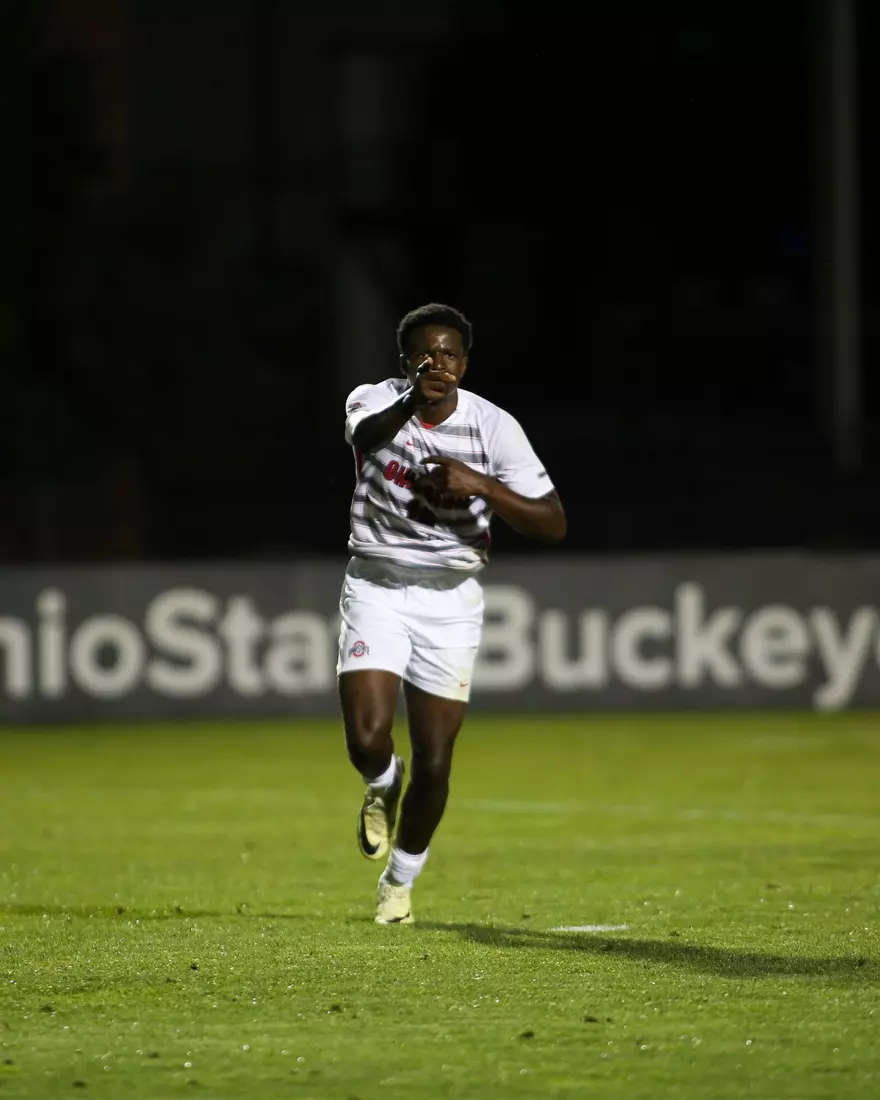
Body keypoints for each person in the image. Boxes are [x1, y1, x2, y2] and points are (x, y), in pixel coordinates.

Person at [337, 303, 566, 924]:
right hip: (377, 585)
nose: (438, 363)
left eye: (449, 354)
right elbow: (365, 437)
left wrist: (483, 486)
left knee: (436, 759)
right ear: (404, 361)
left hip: (450, 599)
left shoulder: (494, 427)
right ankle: (383, 781)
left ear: (466, 364)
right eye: (425, 354)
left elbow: (552, 522)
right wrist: (414, 400)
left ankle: (399, 882)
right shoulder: (374, 400)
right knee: (365, 740)